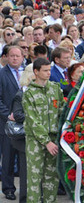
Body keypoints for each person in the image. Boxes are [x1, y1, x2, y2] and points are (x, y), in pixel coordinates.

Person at [22, 58, 64, 202]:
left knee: (51, 178)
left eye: (49, 70)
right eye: (45, 71)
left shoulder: (55, 88)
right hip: (36, 140)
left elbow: (62, 111)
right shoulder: (29, 93)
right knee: (34, 177)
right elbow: (33, 121)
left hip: (53, 138)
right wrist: (46, 141)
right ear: (36, 72)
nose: (48, 73)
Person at [0, 45, 23, 201]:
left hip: (24, 122)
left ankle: (26, 188)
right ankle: (8, 188)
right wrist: (8, 115)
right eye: (12, 55)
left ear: (22, 57)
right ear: (7, 57)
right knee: (8, 158)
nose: (15, 58)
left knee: (23, 159)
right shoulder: (1, 74)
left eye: (18, 56)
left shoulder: (28, 73)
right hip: (7, 123)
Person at [10, 64, 35, 203]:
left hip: (36, 138)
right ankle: (25, 199)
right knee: (25, 173)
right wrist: (36, 118)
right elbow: (18, 115)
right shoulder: (21, 94)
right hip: (24, 139)